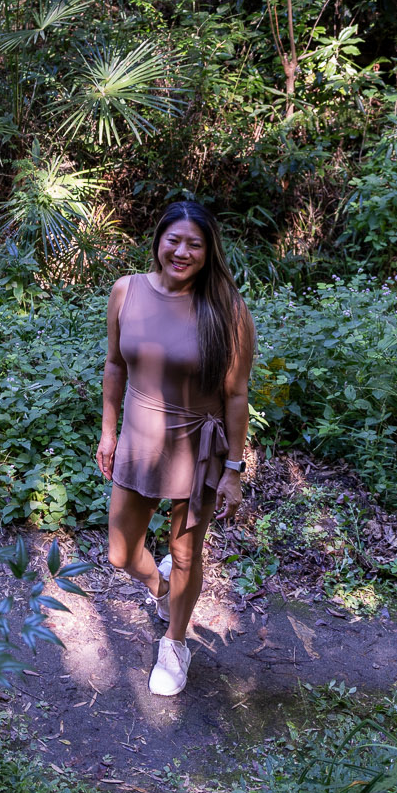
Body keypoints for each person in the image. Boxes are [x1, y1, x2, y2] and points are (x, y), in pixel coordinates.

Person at [97, 199, 256, 697]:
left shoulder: (227, 309)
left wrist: (233, 467)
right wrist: (108, 430)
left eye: (195, 244)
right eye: (175, 240)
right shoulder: (127, 291)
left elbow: (236, 395)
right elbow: (115, 366)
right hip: (139, 440)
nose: (182, 252)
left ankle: (175, 641)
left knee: (186, 552)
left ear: (209, 253)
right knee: (121, 554)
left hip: (197, 446)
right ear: (158, 241)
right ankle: (162, 590)